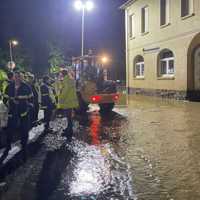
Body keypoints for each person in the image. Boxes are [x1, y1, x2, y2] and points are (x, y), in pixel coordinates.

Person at [3, 70, 33, 161]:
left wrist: (29, 106)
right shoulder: (9, 87)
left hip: (24, 112)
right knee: (10, 130)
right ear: (14, 77)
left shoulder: (26, 87)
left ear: (22, 77)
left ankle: (24, 147)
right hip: (12, 112)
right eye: (16, 76)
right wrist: (8, 104)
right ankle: (8, 146)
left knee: (24, 130)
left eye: (19, 76)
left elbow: (31, 98)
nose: (17, 78)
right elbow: (5, 98)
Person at [57, 69, 79, 142]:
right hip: (70, 101)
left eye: (61, 74)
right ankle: (68, 129)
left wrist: (60, 98)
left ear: (63, 74)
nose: (60, 75)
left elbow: (65, 91)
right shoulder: (70, 79)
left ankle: (69, 131)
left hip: (67, 101)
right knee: (69, 117)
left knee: (68, 117)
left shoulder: (66, 80)